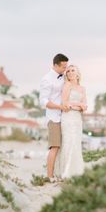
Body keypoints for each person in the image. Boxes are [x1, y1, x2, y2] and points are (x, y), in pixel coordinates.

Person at [39, 53, 69, 182]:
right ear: (55, 65)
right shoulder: (46, 79)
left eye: (66, 66)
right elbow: (43, 101)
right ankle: (49, 176)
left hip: (66, 117)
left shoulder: (65, 77)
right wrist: (60, 107)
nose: (65, 69)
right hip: (54, 118)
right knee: (54, 146)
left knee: (64, 147)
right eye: (63, 67)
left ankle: (60, 173)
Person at [56, 64, 87, 179]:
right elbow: (64, 103)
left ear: (78, 74)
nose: (70, 72)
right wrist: (79, 105)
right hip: (67, 118)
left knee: (76, 143)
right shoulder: (67, 85)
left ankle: (77, 172)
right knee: (68, 142)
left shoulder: (82, 88)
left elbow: (85, 106)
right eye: (68, 71)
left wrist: (76, 105)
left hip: (77, 119)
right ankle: (66, 172)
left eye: (72, 70)